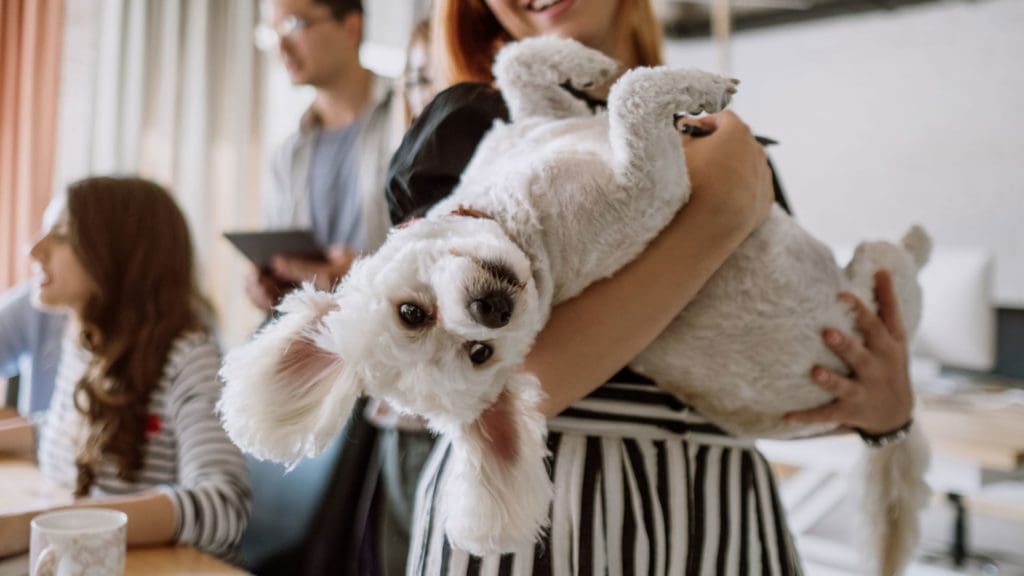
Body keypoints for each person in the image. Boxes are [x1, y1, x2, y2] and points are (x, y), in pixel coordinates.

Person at [386, 1, 917, 573]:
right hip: (542, 516)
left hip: (726, 515)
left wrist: (887, 413)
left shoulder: (719, 130)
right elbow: (485, 390)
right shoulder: (475, 125)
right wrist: (717, 214)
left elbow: (770, 371)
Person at [0, 177, 250, 559]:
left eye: (61, 234)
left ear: (118, 256)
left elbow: (224, 506)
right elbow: (67, 434)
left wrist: (46, 525)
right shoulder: (85, 341)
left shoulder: (189, 358)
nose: (34, 249)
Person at [246, 0, 403, 311]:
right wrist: (267, 282)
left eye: (293, 26)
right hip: (310, 341)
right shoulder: (288, 155)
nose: (281, 46)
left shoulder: (407, 118)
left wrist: (363, 276)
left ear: (351, 27)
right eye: (272, 32)